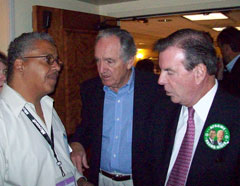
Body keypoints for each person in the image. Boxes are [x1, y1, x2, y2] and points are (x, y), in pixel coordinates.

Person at [70, 28, 167, 186]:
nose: (101, 69)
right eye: (98, 61)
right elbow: (87, 127)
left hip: (140, 181)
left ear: (129, 61)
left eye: (109, 61)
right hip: (100, 179)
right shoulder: (90, 89)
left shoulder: (157, 90)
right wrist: (76, 144)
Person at [0, 32, 93, 186]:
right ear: (19, 65)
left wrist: (80, 181)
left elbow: (60, 160)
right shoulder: (4, 120)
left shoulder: (48, 107)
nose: (57, 67)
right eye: (48, 59)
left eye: (57, 61)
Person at [153, 28, 240, 186]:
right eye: (160, 71)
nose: (160, 80)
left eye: (169, 72)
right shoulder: (162, 109)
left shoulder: (235, 117)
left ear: (199, 72)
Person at [217, 26, 240, 97]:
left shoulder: (236, 71)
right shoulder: (231, 69)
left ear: (226, 48)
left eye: (220, 48)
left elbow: (224, 96)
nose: (221, 53)